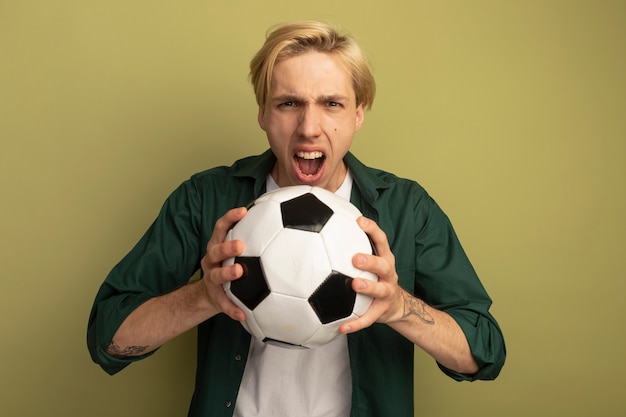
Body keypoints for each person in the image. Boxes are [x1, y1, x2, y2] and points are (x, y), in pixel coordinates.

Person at [87, 20, 506, 417]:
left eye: (331, 104)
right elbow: (108, 337)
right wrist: (202, 298)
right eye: (289, 103)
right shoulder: (206, 198)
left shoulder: (407, 209)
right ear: (263, 114)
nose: (309, 128)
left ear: (358, 113)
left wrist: (399, 306)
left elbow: (483, 352)